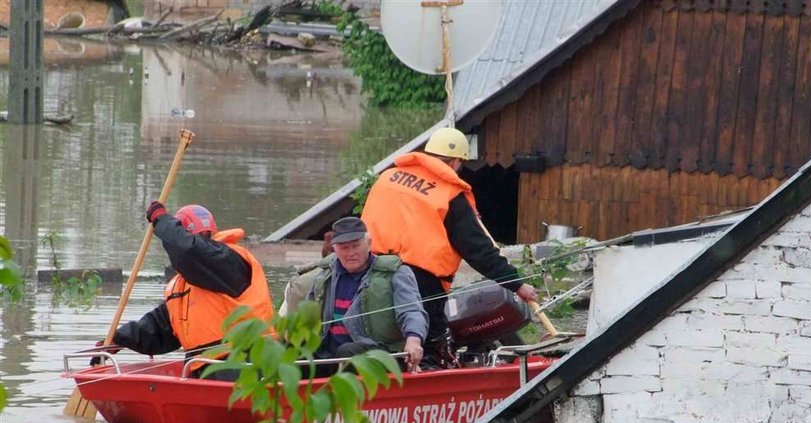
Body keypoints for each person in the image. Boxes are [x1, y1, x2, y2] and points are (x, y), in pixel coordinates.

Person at [360, 127, 538, 366]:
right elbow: (478, 250)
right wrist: (516, 284)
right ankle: (431, 390)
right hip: (420, 281)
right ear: (455, 162)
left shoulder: (389, 177)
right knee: (429, 345)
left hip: (371, 271)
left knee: (379, 335)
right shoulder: (449, 195)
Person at [96, 201, 274, 380]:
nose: (204, 239)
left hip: (247, 363)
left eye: (206, 236)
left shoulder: (229, 260)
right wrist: (118, 339)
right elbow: (160, 326)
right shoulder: (182, 287)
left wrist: (162, 221)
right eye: (200, 235)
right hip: (207, 369)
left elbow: (190, 251)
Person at [301, 217, 428, 373]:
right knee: (290, 352)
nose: (351, 253)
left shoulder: (397, 273)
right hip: (329, 355)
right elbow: (306, 318)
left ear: (369, 243)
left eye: (356, 246)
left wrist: (413, 340)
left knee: (347, 352)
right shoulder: (323, 277)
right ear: (335, 249)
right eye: (344, 248)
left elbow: (411, 311)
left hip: (382, 353)